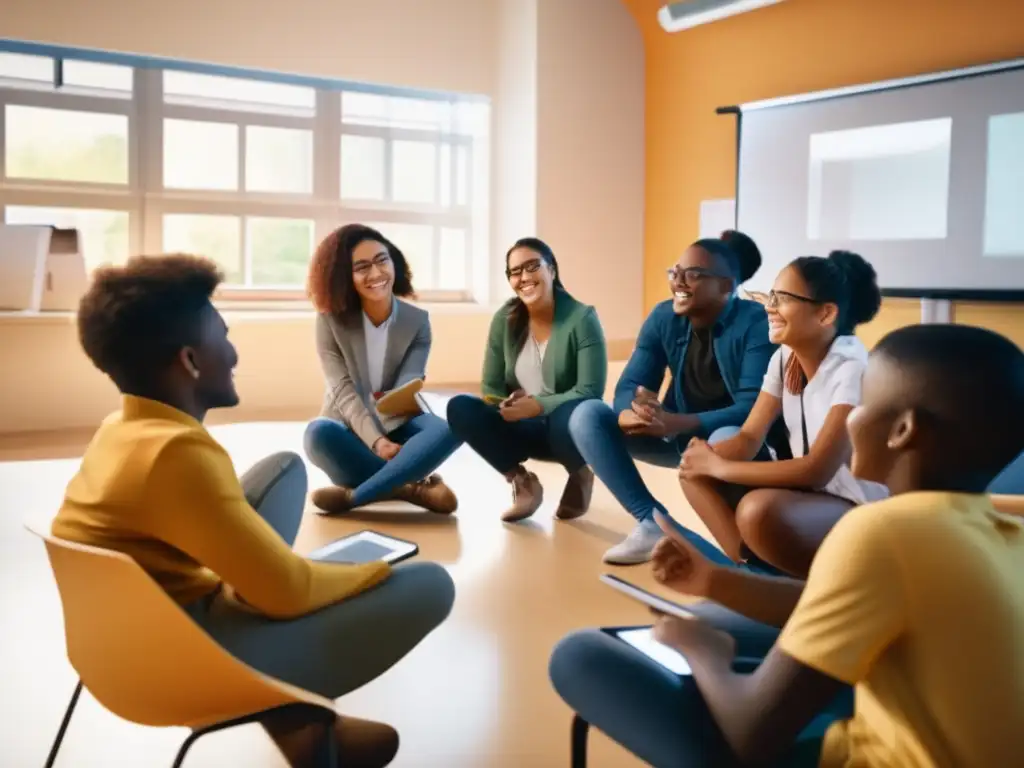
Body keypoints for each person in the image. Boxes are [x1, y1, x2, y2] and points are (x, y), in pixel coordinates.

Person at [550, 323, 1024, 767]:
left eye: (863, 403)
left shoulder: (882, 532)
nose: (849, 415)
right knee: (715, 615)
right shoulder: (1003, 531)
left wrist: (702, 654)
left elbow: (751, 734)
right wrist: (716, 580)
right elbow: (863, 598)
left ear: (903, 431)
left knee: (580, 654)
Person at [53, 254, 456, 768]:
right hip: (179, 669)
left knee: (283, 474)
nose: (234, 353)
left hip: (108, 647)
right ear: (191, 361)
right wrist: (364, 572)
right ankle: (292, 706)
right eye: (223, 336)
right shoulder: (176, 454)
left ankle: (303, 731)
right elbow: (288, 592)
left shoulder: (120, 429)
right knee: (430, 584)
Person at [566, 231, 776, 565]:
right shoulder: (663, 317)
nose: (678, 282)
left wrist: (678, 422)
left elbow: (752, 409)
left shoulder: (756, 323)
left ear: (726, 286)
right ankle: (653, 523)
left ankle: (754, 556)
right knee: (586, 415)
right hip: (673, 437)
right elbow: (629, 384)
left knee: (727, 436)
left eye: (693, 275)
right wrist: (627, 413)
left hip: (736, 443)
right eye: (674, 273)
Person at [678, 251, 885, 577]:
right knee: (693, 469)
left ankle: (787, 585)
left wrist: (720, 466)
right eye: (771, 296)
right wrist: (703, 460)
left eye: (783, 298)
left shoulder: (852, 369)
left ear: (826, 313)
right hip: (818, 497)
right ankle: (750, 573)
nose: (769, 307)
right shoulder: (785, 356)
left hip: (861, 511)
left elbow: (817, 470)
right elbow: (748, 437)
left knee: (757, 512)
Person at [304, 224, 461, 516]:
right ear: (344, 277)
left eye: (382, 260)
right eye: (362, 267)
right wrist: (376, 443)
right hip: (350, 427)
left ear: (394, 262)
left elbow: (405, 388)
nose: (376, 274)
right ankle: (411, 487)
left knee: (454, 422)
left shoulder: (418, 322)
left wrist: (402, 398)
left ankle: (355, 496)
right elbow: (341, 389)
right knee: (317, 434)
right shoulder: (329, 321)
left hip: (396, 424)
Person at [446, 238, 607, 522]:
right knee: (460, 407)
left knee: (568, 412)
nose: (524, 277)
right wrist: (505, 403)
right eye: (515, 271)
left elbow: (590, 390)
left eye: (532, 266)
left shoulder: (582, 318)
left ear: (552, 270)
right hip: (522, 426)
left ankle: (580, 473)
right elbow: (491, 387)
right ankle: (522, 482)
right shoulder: (504, 318)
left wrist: (538, 405)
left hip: (566, 431)